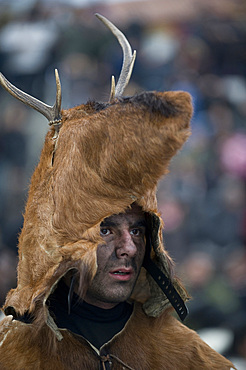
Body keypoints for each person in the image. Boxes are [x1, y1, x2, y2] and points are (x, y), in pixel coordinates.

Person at [0, 14, 235, 370]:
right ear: (66, 240)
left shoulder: (185, 355)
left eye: (138, 230)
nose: (129, 248)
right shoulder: (9, 350)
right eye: (106, 229)